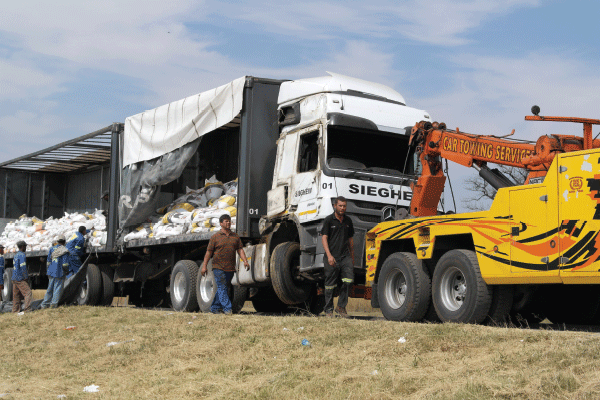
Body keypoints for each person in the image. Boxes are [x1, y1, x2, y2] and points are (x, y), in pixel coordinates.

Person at [200, 214, 250, 314]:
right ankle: (227, 308)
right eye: (226, 221)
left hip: (230, 268)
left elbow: (240, 250)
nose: (228, 223)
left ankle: (214, 308)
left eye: (229, 221)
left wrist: (245, 261)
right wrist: (204, 265)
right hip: (218, 267)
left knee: (223, 287)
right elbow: (209, 252)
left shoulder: (235, 236)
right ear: (221, 223)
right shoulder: (215, 237)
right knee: (222, 286)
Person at [321, 196, 355, 318]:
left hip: (345, 257)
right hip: (332, 257)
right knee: (330, 285)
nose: (342, 208)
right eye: (340, 206)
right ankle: (328, 310)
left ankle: (341, 307)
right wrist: (329, 256)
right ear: (335, 206)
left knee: (349, 280)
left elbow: (350, 240)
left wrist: (352, 257)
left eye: (344, 206)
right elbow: (324, 238)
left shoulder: (348, 221)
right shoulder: (328, 220)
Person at [41, 235, 70, 309]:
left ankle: (44, 304)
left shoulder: (52, 249)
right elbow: (65, 264)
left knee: (50, 288)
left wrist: (48, 270)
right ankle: (53, 305)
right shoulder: (64, 250)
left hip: (51, 271)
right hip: (59, 272)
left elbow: (48, 262)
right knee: (57, 289)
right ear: (64, 242)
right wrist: (67, 271)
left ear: (57, 241)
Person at [12, 241, 32, 313]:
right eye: (25, 246)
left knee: (16, 295)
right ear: (22, 247)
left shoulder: (16, 255)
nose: (25, 248)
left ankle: (15, 310)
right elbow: (23, 267)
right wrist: (25, 277)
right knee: (28, 293)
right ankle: (27, 309)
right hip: (19, 278)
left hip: (14, 277)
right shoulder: (22, 255)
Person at [0, 244, 5, 311]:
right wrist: (1, 282)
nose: (3, 250)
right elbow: (0, 272)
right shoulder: (1, 258)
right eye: (2, 249)